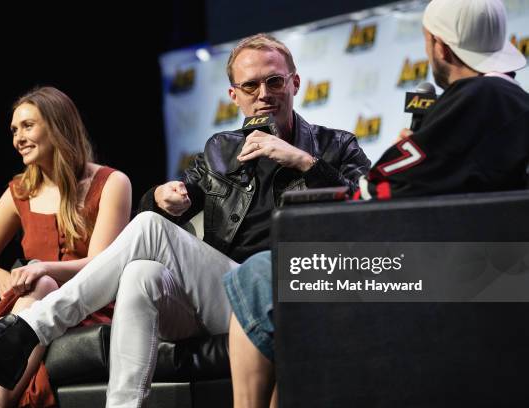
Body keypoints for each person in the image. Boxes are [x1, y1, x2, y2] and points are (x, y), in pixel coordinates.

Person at [0, 34, 370, 408]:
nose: (264, 94)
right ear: (234, 96)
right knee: (140, 271)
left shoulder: (335, 145)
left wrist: (304, 162)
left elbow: (370, 217)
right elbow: (158, 220)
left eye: (274, 82)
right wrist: (160, 198)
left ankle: (23, 333)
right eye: (250, 86)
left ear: (295, 82)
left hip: (288, 289)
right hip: (222, 297)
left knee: (147, 241)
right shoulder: (219, 150)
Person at [223, 0, 529, 406]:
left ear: (439, 46)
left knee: (265, 272)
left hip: (445, 273)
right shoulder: (509, 97)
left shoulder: (478, 96)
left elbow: (376, 193)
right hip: (484, 267)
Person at [0, 86, 132, 407]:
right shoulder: (20, 190)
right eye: (13, 130)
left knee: (44, 281)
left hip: (88, 305)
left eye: (27, 126)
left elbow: (102, 265)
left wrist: (42, 269)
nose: (17, 138)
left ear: (58, 126)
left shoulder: (111, 182)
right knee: (41, 284)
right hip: (31, 299)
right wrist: (2, 279)